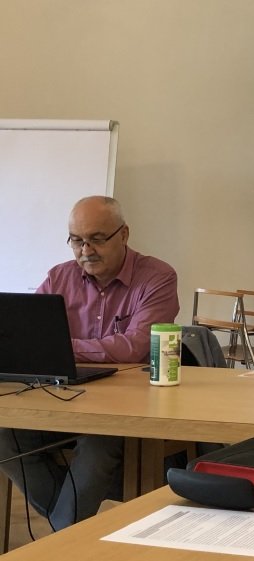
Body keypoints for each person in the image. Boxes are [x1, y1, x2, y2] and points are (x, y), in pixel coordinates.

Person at [0, 196, 179, 530]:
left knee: (100, 440)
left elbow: (136, 346)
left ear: (124, 235)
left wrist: (68, 349)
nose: (86, 250)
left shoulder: (157, 277)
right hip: (63, 400)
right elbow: (29, 337)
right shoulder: (58, 277)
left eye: (97, 239)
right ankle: (67, 533)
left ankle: (60, 541)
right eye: (76, 240)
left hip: (125, 406)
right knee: (4, 432)